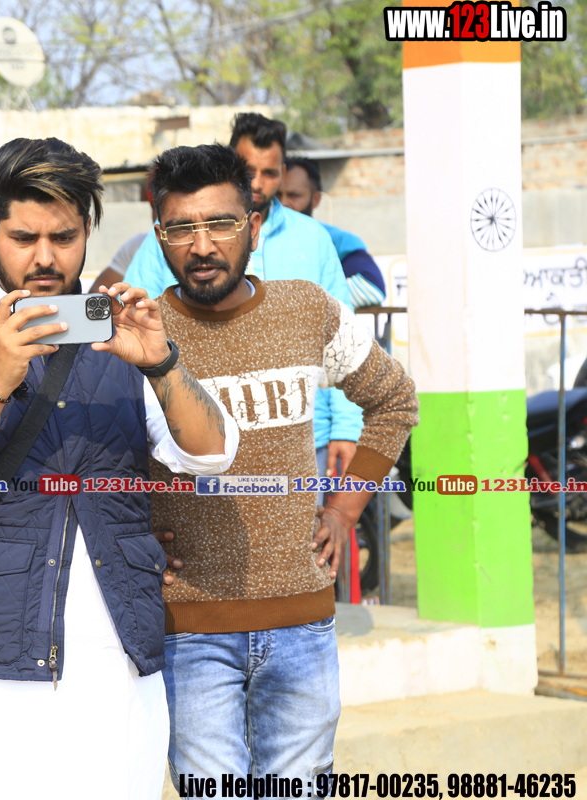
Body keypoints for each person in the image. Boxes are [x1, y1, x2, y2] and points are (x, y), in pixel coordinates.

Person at [0, 137, 240, 800]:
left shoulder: (124, 335)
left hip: (112, 677)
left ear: (88, 233)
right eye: (24, 237)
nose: (45, 257)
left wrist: (160, 363)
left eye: (64, 237)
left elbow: (213, 453)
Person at [143, 143, 418, 783]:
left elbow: (395, 399)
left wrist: (344, 510)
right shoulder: (142, 335)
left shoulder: (305, 310)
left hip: (302, 623)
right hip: (188, 630)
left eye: (220, 223)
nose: (201, 246)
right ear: (160, 236)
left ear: (254, 225)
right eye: (181, 229)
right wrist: (134, 535)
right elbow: (100, 457)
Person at [125, 113, 362, 483]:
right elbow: (134, 331)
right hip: (187, 444)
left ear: (252, 231)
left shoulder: (313, 238)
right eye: (251, 172)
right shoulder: (167, 244)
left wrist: (346, 429)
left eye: (270, 173)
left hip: (302, 438)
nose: (259, 183)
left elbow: (342, 346)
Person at [278, 156, 387, 308]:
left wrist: (305, 307)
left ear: (315, 199)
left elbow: (371, 288)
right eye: (277, 195)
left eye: (294, 196)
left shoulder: (335, 241)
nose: (283, 203)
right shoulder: (255, 236)